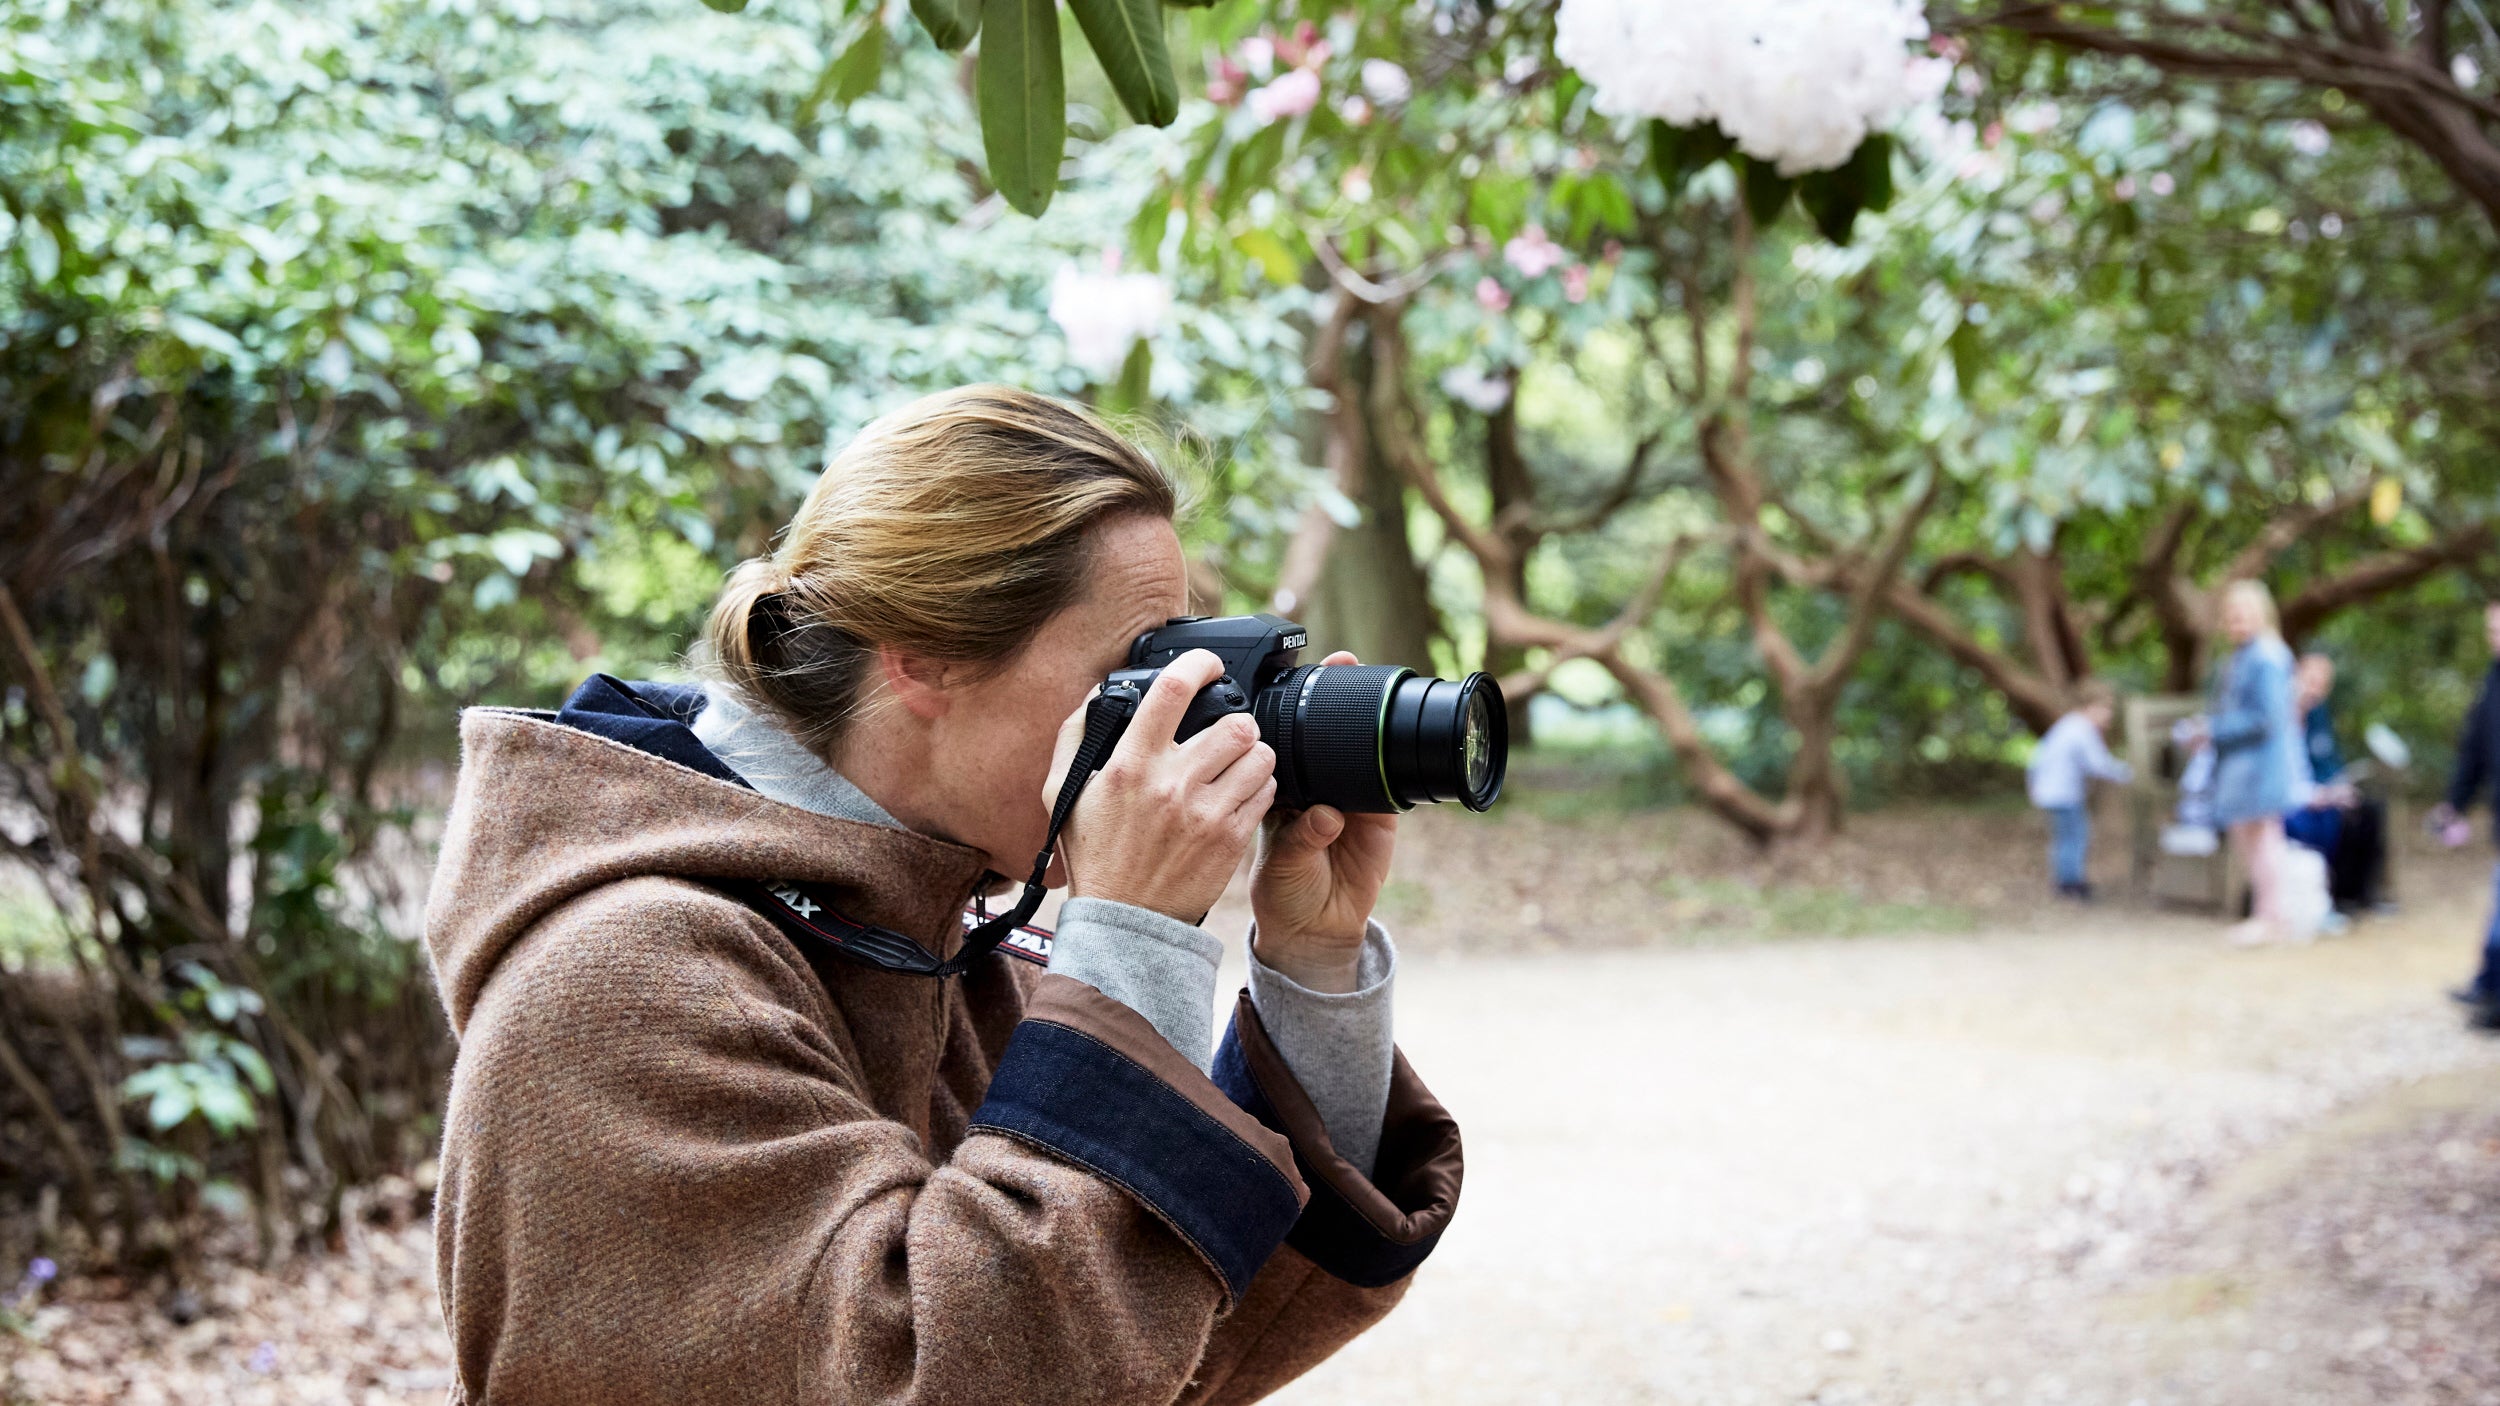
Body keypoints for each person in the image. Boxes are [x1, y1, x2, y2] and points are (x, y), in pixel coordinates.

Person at [423, 386, 1464, 1404]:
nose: (1171, 717)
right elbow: (956, 1368)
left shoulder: (940, 940)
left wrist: (1314, 972)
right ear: (921, 659)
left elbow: (1163, 1348)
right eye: (1133, 667)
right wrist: (1131, 936)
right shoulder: (629, 979)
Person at [2203, 579, 2303, 947]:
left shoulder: (2267, 657)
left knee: (2264, 841)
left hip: (2261, 770)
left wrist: (2215, 731)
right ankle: (2267, 915)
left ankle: (2273, 918)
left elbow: (2266, 718)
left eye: (2243, 613)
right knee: (2250, 842)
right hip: (2242, 769)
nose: (2236, 621)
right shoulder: (2240, 657)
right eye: (2230, 615)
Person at [2430, 599, 2500, 1032]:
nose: (2494, 637)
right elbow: (2474, 749)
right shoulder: (2492, 683)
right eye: (2490, 631)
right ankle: (2488, 985)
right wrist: (2455, 802)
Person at [2281, 652, 2388, 913]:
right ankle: (2334, 895)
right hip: (2292, 799)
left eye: (2321, 684)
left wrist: (2339, 787)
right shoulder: (2281, 716)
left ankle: (2358, 894)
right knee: (2334, 819)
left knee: (2369, 810)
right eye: (2310, 680)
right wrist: (2320, 794)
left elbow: (2328, 758)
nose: (2314, 689)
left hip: (2319, 791)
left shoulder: (2318, 715)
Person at [2026, 681, 2133, 900]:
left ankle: (2066, 881)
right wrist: (2130, 773)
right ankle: (2071, 884)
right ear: (2091, 706)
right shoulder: (2081, 729)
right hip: (2062, 793)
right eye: (2106, 708)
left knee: (2066, 837)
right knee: (2074, 837)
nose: (2108, 716)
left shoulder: (2068, 725)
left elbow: (2037, 757)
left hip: (2052, 791)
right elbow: (2099, 764)